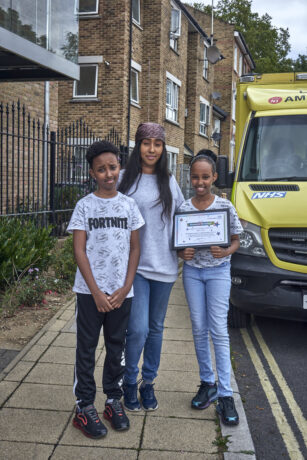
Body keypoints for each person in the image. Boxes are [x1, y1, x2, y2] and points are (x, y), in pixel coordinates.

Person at [67, 140, 144, 439]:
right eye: (101, 169)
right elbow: (79, 250)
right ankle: (84, 406)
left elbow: (136, 248)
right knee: (86, 349)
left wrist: (125, 287)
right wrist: (96, 292)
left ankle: (113, 400)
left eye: (112, 167)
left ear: (120, 168)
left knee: (117, 348)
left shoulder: (129, 205)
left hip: (121, 293)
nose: (108, 173)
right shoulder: (84, 205)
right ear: (92, 173)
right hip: (90, 294)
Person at [118, 122, 184, 411]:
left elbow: (184, 219)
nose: (152, 149)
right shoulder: (123, 179)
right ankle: (129, 381)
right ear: (138, 146)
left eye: (157, 144)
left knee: (156, 328)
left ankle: (148, 383)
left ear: (163, 149)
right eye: (146, 143)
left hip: (166, 267)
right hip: (136, 268)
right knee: (138, 329)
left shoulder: (169, 181)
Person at [178, 149, 243, 426]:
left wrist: (225, 251)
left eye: (205, 177)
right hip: (193, 273)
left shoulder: (225, 207)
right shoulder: (184, 208)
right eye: (195, 177)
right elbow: (179, 246)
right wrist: (183, 255)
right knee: (198, 328)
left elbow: (236, 241)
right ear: (190, 178)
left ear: (214, 177)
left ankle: (226, 394)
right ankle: (207, 383)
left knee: (218, 329)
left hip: (218, 273)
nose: (200, 182)